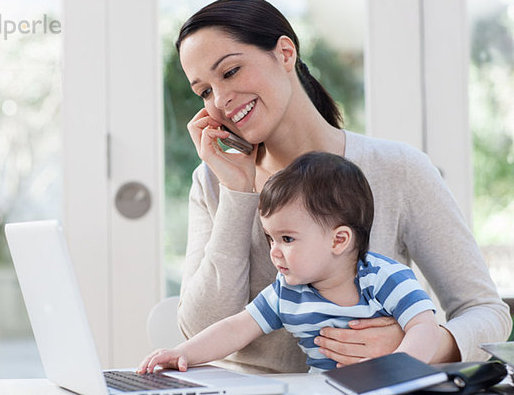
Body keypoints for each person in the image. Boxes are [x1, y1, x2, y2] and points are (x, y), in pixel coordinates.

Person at [176, 0, 511, 374]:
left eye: (231, 72)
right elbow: (199, 331)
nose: (220, 100)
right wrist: (238, 194)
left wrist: (417, 346)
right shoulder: (214, 180)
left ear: (285, 53)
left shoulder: (397, 168)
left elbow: (486, 312)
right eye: (204, 91)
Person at [139, 152, 441, 373]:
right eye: (271, 239)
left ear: (339, 240)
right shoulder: (287, 292)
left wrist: (400, 371)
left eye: (287, 239)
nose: (274, 251)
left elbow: (424, 327)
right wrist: (182, 353)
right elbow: (234, 329)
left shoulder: (385, 279)